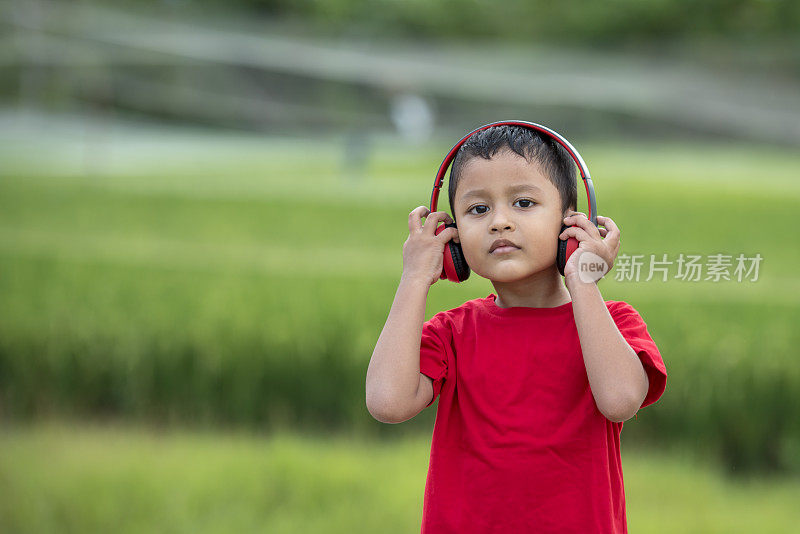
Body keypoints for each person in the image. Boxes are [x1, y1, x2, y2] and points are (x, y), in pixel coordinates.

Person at [365, 124, 667, 533]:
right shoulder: (452, 333)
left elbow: (619, 401)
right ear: (450, 238)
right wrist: (414, 277)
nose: (500, 222)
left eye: (523, 202)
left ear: (573, 225)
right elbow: (387, 402)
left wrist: (583, 278)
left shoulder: (613, 323)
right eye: (478, 209)